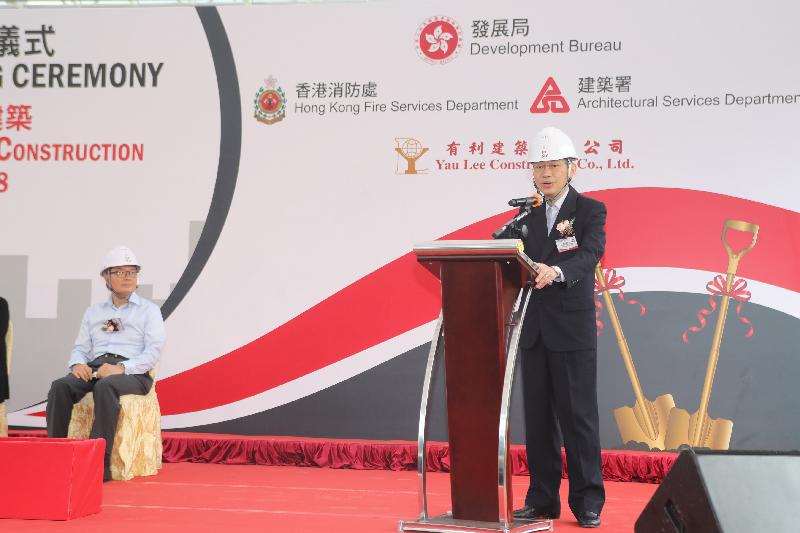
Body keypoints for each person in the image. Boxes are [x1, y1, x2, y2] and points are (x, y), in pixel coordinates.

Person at [513, 127, 606, 528]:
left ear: (572, 168)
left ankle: (587, 502)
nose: (546, 173)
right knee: (537, 420)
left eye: (553, 165)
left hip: (570, 331)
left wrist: (559, 271)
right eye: (539, 166)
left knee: (578, 418)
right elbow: (507, 258)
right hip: (533, 332)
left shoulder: (590, 210)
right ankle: (542, 499)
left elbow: (591, 253)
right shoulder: (526, 215)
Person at [46, 246, 165, 481]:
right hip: (97, 366)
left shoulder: (149, 311)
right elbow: (80, 347)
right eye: (120, 272)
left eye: (132, 272)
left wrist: (122, 368)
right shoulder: (94, 312)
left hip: (134, 373)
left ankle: (99, 464)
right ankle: (55, 455)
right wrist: (77, 364)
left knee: (106, 386)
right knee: (60, 386)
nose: (127, 277)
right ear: (106, 278)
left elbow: (153, 352)